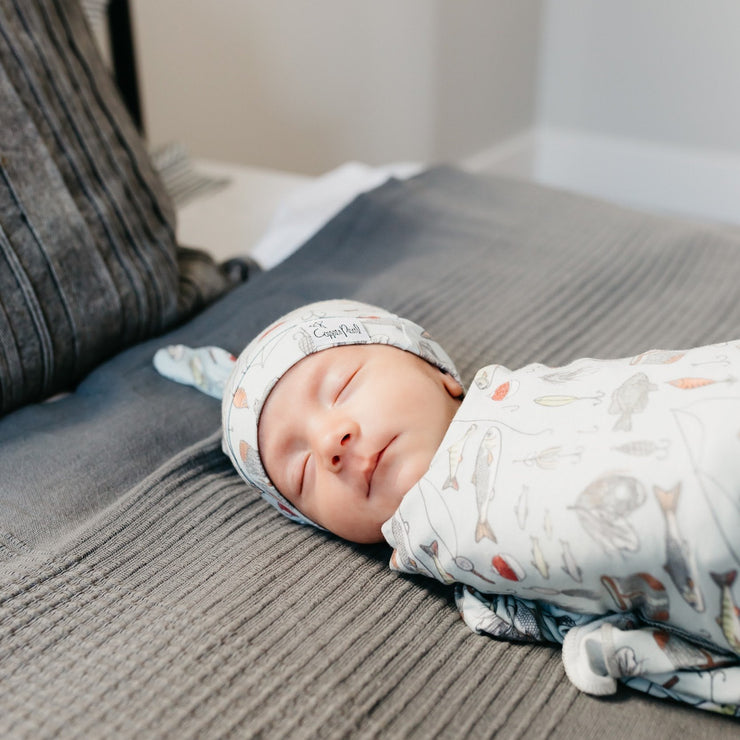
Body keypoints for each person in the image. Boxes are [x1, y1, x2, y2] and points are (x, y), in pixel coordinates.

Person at [155, 298, 740, 714]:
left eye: (344, 384)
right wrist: (629, 654)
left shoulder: (528, 391)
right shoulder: (459, 566)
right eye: (301, 470)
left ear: (440, 374)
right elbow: (576, 618)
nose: (330, 441)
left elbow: (665, 379)